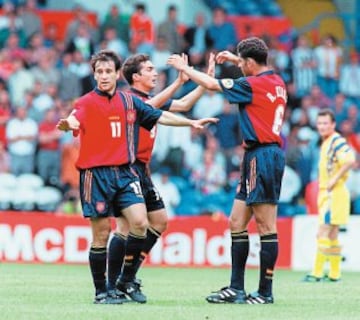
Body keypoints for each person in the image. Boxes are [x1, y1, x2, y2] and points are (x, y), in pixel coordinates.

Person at [56, 49, 218, 305]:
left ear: (117, 73)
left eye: (108, 71)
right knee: (103, 233)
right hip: (96, 174)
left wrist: (191, 123)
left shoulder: (128, 102)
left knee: (141, 223)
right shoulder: (88, 101)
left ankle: (124, 280)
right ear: (95, 75)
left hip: (125, 171)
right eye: (99, 71)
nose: (104, 76)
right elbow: (75, 118)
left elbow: (161, 114)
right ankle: (104, 291)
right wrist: (69, 123)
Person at [168, 37, 287, 304]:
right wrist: (236, 60)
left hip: (263, 156)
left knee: (266, 226)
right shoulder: (277, 82)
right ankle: (236, 288)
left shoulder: (252, 85)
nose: (239, 68)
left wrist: (184, 68)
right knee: (236, 221)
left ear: (249, 63)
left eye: (241, 63)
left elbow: (211, 85)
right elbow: (255, 68)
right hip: (257, 155)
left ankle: (265, 292)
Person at [107, 52, 211, 303]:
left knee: (160, 221)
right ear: (136, 77)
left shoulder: (148, 98)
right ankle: (113, 285)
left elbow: (183, 105)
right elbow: (153, 109)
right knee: (127, 226)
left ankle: (127, 278)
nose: (155, 73)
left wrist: (206, 81)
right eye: (150, 69)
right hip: (124, 168)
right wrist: (178, 83)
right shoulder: (128, 99)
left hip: (142, 169)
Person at [303, 109, 355, 282]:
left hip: (334, 193)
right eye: (320, 123)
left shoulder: (336, 141)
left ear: (333, 124)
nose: (322, 126)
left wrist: (334, 179)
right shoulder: (326, 142)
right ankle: (334, 274)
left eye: (326, 123)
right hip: (333, 193)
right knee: (332, 235)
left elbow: (349, 160)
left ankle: (317, 272)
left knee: (322, 232)